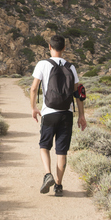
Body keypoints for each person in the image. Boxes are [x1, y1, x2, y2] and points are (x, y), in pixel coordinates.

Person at [29, 34, 86, 197]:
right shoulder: (71, 67)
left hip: (49, 112)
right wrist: (81, 115)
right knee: (62, 151)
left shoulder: (42, 64)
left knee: (44, 146)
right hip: (66, 114)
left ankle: (48, 174)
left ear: (49, 47)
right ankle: (59, 186)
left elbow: (34, 88)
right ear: (64, 48)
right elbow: (78, 93)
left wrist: (34, 108)